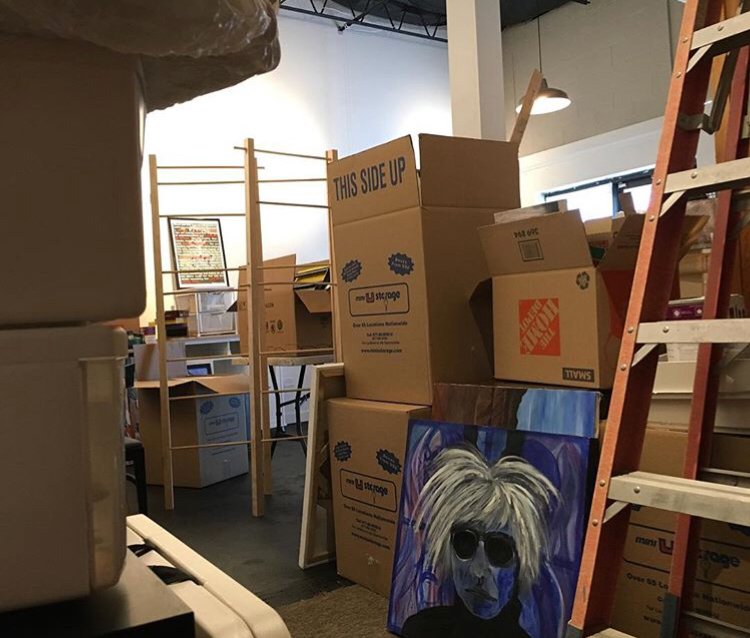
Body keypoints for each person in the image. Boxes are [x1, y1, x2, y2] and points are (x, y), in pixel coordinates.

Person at [401, 445, 560, 638]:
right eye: (465, 543)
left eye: (499, 550)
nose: (478, 571)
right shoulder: (421, 628)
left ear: (521, 563)